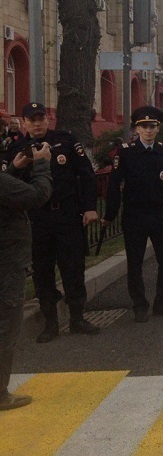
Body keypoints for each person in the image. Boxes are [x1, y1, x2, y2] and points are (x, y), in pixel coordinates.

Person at [5, 102, 100, 342]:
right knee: (42, 271)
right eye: (32, 120)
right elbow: (8, 183)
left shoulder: (65, 141)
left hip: (66, 215)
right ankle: (50, 322)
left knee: (73, 267)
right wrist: (15, 166)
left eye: (41, 119)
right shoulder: (16, 149)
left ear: (48, 120)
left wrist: (89, 207)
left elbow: (86, 174)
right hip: (36, 219)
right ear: (24, 123)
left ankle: (77, 317)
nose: (37, 124)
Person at [101, 106, 163, 323]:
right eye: (144, 126)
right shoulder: (126, 152)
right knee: (135, 262)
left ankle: (162, 302)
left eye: (152, 126)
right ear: (137, 129)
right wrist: (109, 214)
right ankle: (139, 305)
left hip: (158, 215)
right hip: (135, 215)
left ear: (158, 128)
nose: (148, 130)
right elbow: (115, 185)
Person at [0, 141, 52, 410]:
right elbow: (37, 195)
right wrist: (42, 164)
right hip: (7, 263)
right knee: (7, 325)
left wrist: (11, 169)